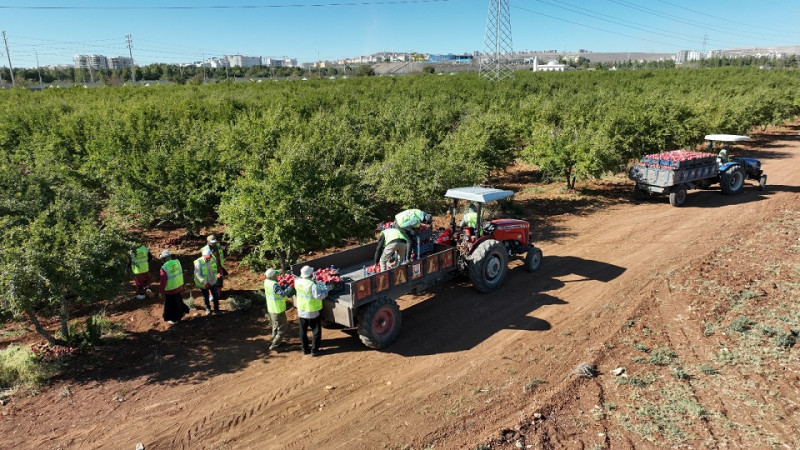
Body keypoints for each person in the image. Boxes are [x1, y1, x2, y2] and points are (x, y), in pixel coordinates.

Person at [294, 265, 328, 356]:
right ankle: (314, 350)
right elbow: (318, 296)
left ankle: (305, 349)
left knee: (303, 331)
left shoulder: (297, 282)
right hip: (311, 311)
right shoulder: (311, 285)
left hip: (301, 310)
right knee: (316, 331)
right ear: (310, 274)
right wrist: (326, 291)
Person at [264, 268, 292, 351]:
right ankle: (275, 344)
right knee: (282, 328)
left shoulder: (266, 282)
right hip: (278, 309)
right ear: (272, 276)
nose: (277, 275)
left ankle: (275, 340)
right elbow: (282, 294)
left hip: (271, 308)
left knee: (275, 326)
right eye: (275, 274)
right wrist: (290, 287)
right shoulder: (274, 285)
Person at [158, 250, 189, 324]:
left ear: (164, 259)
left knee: (170, 305)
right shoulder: (176, 262)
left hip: (170, 290)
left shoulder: (164, 268)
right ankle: (182, 312)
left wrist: (161, 292)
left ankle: (174, 319)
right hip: (178, 286)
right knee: (178, 301)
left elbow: (163, 282)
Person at [194, 247, 221, 316]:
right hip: (204, 283)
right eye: (207, 258)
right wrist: (205, 283)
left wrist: (217, 274)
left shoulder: (212, 258)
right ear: (204, 256)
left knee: (215, 295)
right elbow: (198, 274)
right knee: (206, 297)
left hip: (212, 281)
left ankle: (217, 310)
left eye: (210, 257)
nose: (209, 259)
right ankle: (208, 309)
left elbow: (215, 268)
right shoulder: (198, 262)